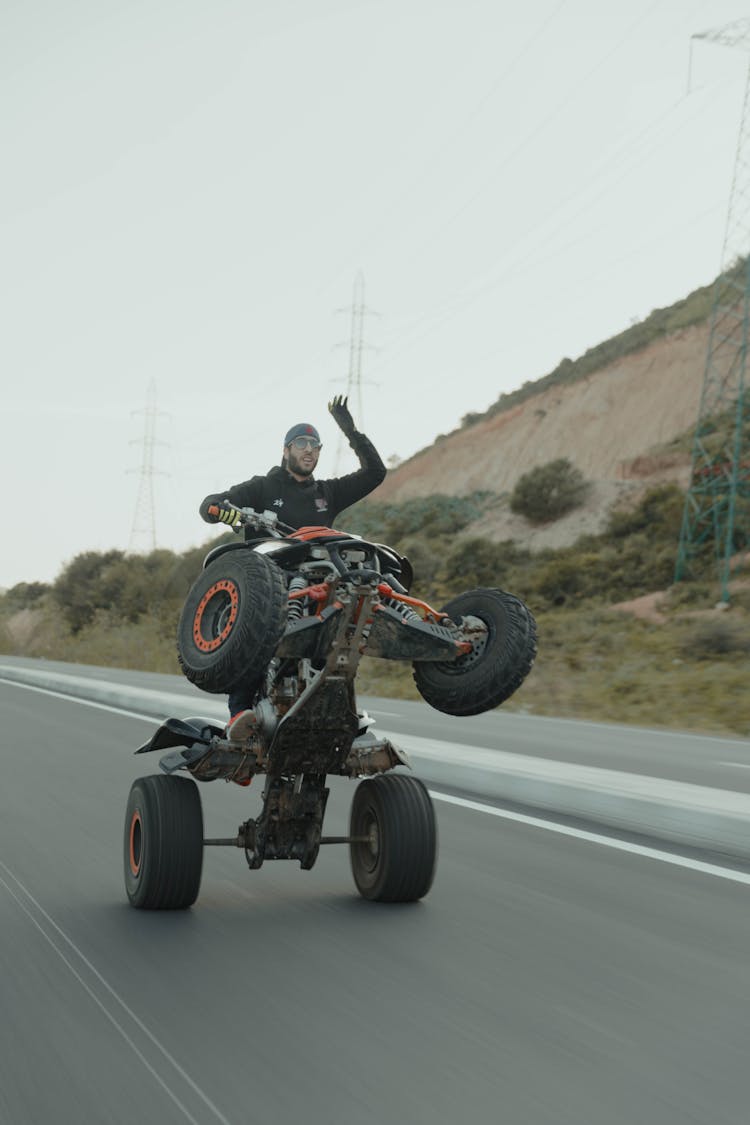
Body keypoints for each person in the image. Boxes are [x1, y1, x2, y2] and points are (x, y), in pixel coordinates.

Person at [199, 395, 386, 739]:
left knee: (342, 631)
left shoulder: (327, 492)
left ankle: (335, 709)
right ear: (286, 450)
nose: (309, 450)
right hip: (267, 582)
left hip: (319, 580)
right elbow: (209, 505)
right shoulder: (263, 487)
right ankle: (239, 714)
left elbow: (376, 473)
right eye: (302, 443)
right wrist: (222, 511)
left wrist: (351, 430)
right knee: (257, 639)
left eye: (315, 445)